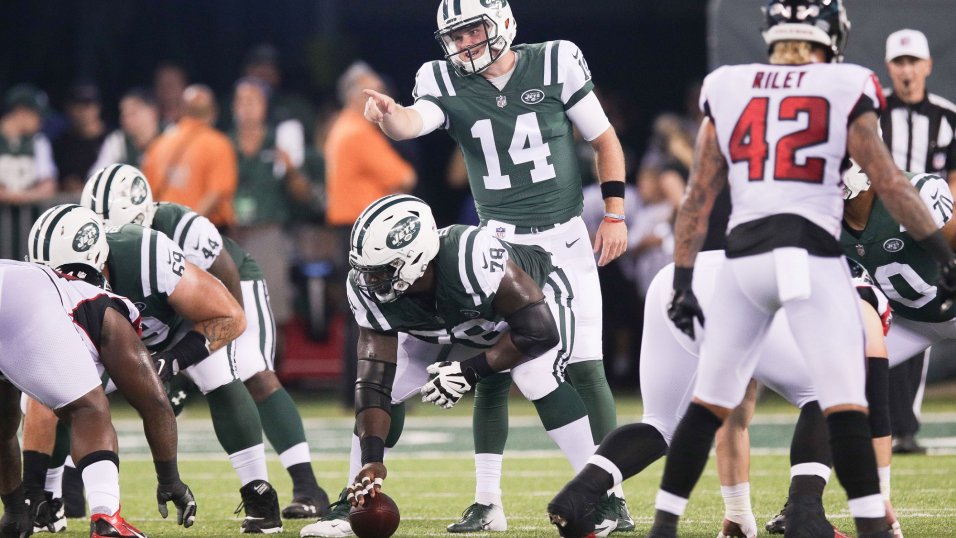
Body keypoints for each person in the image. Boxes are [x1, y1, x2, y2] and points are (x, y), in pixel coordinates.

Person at [610, 1, 955, 536]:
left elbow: (702, 197)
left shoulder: (903, 187)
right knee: (832, 380)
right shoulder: (822, 198)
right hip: (883, 306)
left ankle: (772, 513)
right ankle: (821, 510)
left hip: (927, 301)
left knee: (737, 398)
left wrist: (945, 255)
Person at [361, 0, 630, 530]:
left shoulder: (555, 62)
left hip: (564, 237)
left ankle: (610, 494)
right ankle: (488, 501)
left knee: (585, 367)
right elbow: (417, 122)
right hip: (499, 243)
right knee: (492, 373)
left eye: (473, 31)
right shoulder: (443, 78)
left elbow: (604, 139)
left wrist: (615, 213)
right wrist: (391, 118)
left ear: (503, 22)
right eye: (455, 37)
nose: (465, 45)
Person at [299, 195, 598, 538]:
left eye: (381, 270)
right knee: (390, 386)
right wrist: (372, 457)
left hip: (536, 301)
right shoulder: (368, 288)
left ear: (415, 259)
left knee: (534, 376)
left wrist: (469, 372)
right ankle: (353, 500)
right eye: (366, 270)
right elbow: (372, 382)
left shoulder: (471, 255)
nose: (370, 281)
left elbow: (538, 332)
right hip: (453, 320)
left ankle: (598, 490)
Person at [548, 250, 902, 538]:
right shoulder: (860, 298)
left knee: (660, 424)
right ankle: (805, 513)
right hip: (736, 288)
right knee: (826, 395)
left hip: (677, 279)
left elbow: (734, 415)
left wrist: (737, 512)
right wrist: (880, 497)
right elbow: (877, 404)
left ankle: (579, 494)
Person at [81, 162, 331, 519]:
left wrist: (209, 351)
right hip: (167, 307)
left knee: (250, 370)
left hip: (227, 290)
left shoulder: (183, 228)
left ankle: (308, 486)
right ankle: (58, 493)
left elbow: (224, 284)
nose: (115, 239)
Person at [27, 202, 285, 534]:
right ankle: (47, 500)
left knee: (218, 373)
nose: (65, 287)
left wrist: (173, 359)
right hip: (98, 342)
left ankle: (258, 492)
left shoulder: (147, 255)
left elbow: (230, 316)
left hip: (167, 334)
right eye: (54, 279)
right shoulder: (38, 285)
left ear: (99, 259)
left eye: (69, 277)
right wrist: (29, 491)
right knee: (44, 390)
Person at [0, 258, 197, 536]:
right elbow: (155, 402)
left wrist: (15, 511)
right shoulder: (102, 303)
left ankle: (15, 513)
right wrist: (170, 480)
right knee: (89, 410)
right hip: (23, 300)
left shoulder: (41, 282)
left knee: (2, 424)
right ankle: (107, 517)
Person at [879, 28, 956, 455]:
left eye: (913, 62)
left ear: (927, 65)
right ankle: (888, 426)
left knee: (921, 317)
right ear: (890, 67)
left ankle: (903, 426)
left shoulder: (948, 116)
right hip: (879, 231)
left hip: (935, 235)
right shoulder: (872, 114)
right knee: (886, 320)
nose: (907, 70)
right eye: (899, 62)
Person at [325, 61, 416, 408]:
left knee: (359, 315)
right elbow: (404, 176)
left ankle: (356, 392)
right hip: (366, 234)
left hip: (349, 230)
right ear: (356, 96)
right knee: (379, 312)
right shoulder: (359, 132)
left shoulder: (340, 128)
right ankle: (379, 390)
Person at [231, 76, 313, 326]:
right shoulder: (223, 144)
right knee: (234, 312)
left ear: (264, 106)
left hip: (268, 233)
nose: (247, 107)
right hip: (232, 237)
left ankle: (275, 365)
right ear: (234, 107)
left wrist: (291, 170)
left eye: (253, 101)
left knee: (273, 313)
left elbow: (304, 195)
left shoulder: (279, 142)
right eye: (241, 101)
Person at [143, 84, 238, 229]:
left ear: (182, 110)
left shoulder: (159, 144)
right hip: (203, 230)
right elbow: (216, 194)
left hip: (165, 232)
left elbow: (148, 194)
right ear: (213, 111)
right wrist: (187, 227)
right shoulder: (219, 144)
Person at [0, 84, 58, 259]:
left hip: (26, 229)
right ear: (21, 112)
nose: (41, 122)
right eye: (37, 115)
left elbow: (49, 186)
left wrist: (18, 197)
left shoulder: (39, 142)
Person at [52, 81, 107, 194]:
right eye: (78, 105)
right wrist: (65, 183)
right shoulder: (60, 143)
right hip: (71, 205)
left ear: (98, 108)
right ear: (68, 108)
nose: (83, 111)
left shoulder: (113, 139)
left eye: (88, 105)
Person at [90, 87, 161, 172]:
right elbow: (96, 175)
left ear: (152, 112)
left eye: (133, 112)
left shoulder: (171, 134)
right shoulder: (117, 141)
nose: (126, 119)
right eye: (123, 113)